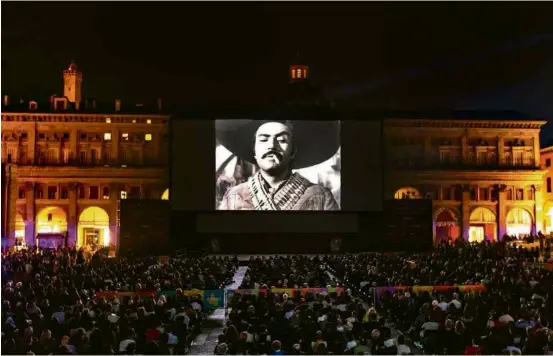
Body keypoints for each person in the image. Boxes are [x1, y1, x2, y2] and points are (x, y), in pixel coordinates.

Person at [216, 119, 340, 210]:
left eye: (282, 140)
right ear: (254, 150)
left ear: (293, 151)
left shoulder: (321, 197)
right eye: (264, 140)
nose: (271, 146)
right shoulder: (233, 197)